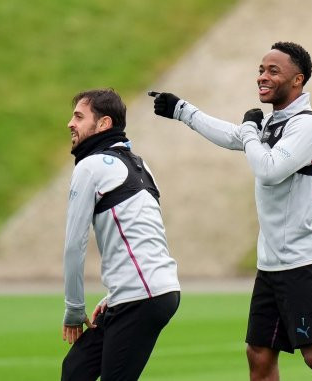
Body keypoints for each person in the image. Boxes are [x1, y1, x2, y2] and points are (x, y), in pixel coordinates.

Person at [151, 42, 312, 381]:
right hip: (273, 263)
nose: (262, 76)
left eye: (273, 71)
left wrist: (248, 131)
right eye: (261, 70)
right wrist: (182, 110)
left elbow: (269, 169)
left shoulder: (306, 126)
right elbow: (233, 136)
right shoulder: (273, 123)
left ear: (298, 80)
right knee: (258, 353)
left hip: (304, 259)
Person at [61, 88, 181, 380]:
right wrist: (114, 295)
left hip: (142, 294)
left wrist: (75, 309)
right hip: (149, 290)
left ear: (103, 124)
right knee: (75, 371)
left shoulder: (90, 167)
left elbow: (74, 246)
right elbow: (144, 236)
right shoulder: (140, 164)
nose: (70, 124)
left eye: (79, 116)